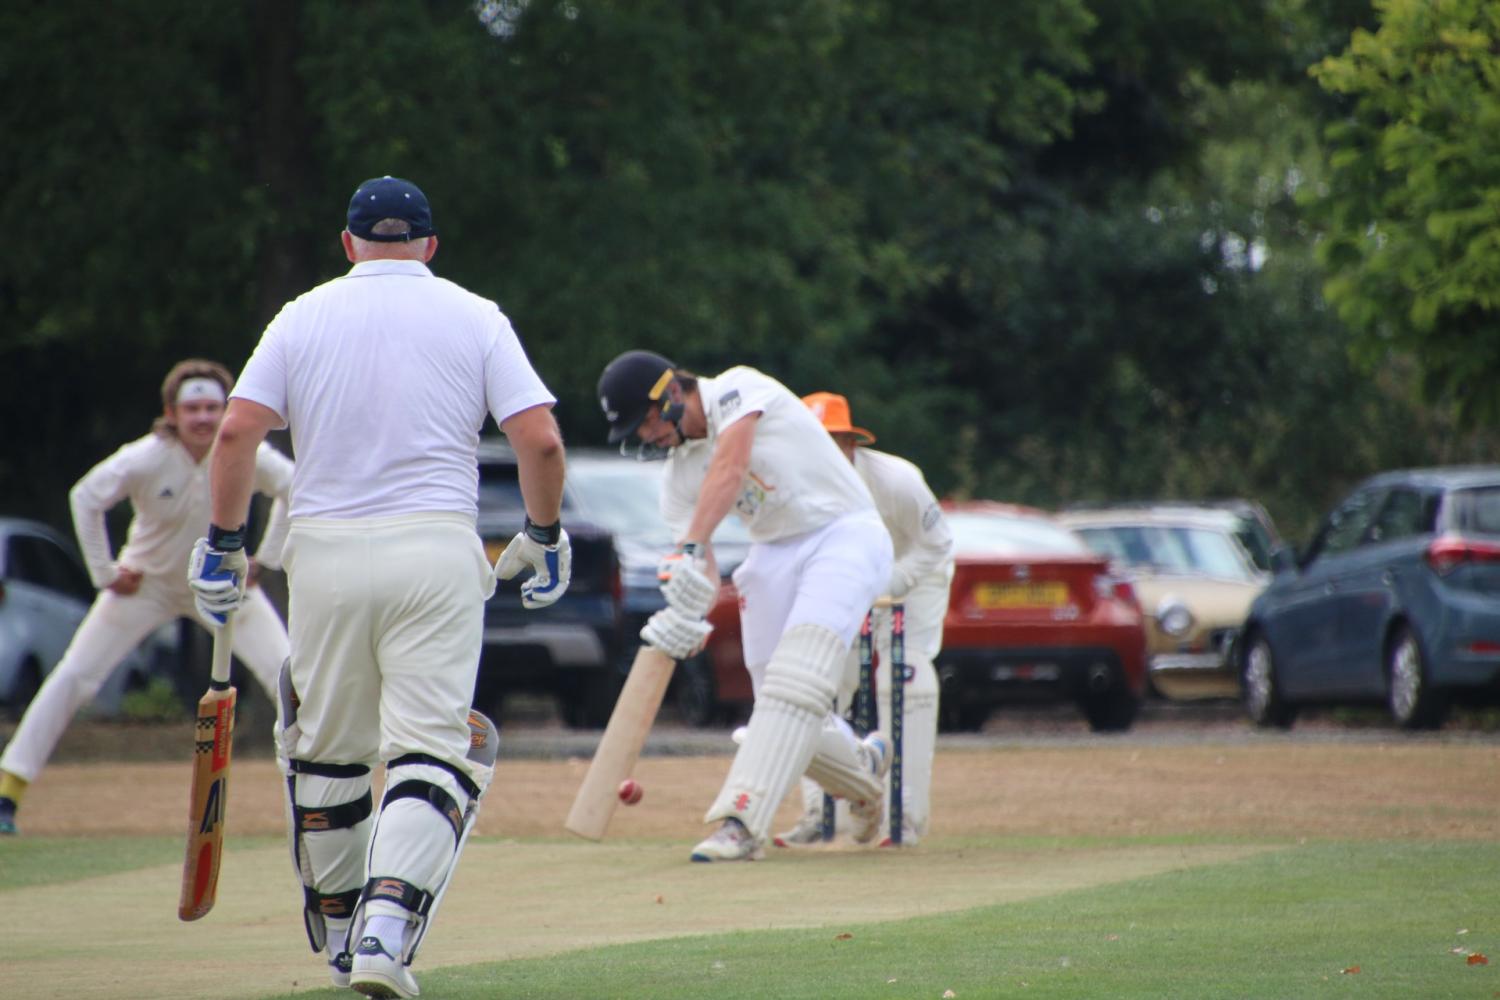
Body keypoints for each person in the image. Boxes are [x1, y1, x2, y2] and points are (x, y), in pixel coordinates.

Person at [189, 176, 570, 998]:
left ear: (348, 243)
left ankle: (336, 933)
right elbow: (538, 440)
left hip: (323, 555)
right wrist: (541, 535)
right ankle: (385, 937)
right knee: (430, 748)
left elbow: (237, 432)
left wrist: (223, 546)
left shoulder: (302, 314)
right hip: (434, 551)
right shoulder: (474, 314)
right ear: (430, 245)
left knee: (328, 751)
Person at [596, 350, 893, 862]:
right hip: (774, 552)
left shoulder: (737, 389)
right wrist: (690, 603)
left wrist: (690, 545)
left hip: (843, 532)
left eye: (644, 423)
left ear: (669, 393)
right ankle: (864, 774)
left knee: (796, 682)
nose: (647, 438)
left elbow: (730, 468)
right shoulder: (678, 478)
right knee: (785, 707)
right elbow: (701, 565)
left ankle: (741, 820)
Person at [0, 359, 292, 837]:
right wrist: (106, 573)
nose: (202, 418)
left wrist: (267, 558)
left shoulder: (244, 451)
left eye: (213, 408)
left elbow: (291, 488)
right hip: (147, 586)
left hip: (220, 588)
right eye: (192, 408)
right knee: (76, 675)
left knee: (286, 673)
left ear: (226, 411)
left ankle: (311, 788)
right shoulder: (146, 456)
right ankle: (8, 790)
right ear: (171, 413)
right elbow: (86, 497)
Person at [776, 392, 954, 848]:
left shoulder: (897, 480)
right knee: (821, 680)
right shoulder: (793, 485)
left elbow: (936, 543)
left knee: (905, 679)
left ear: (852, 442)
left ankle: (906, 817)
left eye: (836, 441)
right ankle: (821, 814)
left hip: (916, 572)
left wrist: (893, 580)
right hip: (849, 579)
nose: (826, 452)